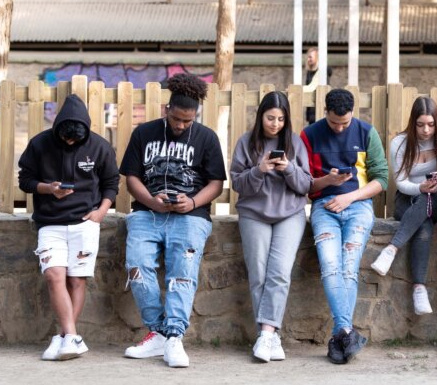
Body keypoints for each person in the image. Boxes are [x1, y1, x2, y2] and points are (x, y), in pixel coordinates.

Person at [120, 73, 225, 368]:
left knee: (182, 272)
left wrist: (192, 202)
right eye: (177, 119)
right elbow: (131, 178)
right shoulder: (144, 133)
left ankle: (175, 336)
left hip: (191, 216)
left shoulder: (207, 137)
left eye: (187, 121)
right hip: (147, 213)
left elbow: (216, 183)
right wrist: (151, 201)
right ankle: (158, 333)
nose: (181, 126)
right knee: (137, 267)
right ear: (167, 110)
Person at [19, 94, 119, 361]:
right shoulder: (39, 144)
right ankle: (72, 336)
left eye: (75, 140)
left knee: (76, 280)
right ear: (57, 130)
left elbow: (111, 184)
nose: (70, 143)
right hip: (49, 223)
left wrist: (101, 212)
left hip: (85, 223)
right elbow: (25, 180)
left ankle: (64, 338)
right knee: (54, 276)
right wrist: (48, 188)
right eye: (66, 139)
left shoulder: (100, 147)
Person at [300, 88, 388, 364]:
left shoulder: (366, 132)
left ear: (353, 114)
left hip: (358, 205)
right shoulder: (309, 135)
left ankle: (341, 333)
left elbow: (381, 179)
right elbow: (303, 184)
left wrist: (349, 196)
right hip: (324, 206)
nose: (339, 128)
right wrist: (328, 181)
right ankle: (347, 332)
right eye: (334, 123)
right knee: (330, 264)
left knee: (349, 265)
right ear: (325, 112)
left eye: (345, 123)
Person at [230, 91, 312, 363]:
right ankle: (270, 336)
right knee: (259, 274)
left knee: (279, 272)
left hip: (290, 214)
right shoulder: (246, 143)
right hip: (254, 213)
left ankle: (265, 333)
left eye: (280, 119)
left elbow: (306, 185)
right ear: (260, 116)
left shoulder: (295, 143)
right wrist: (260, 169)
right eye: (270, 118)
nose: (275, 124)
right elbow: (238, 184)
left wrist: (288, 168)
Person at [370, 96, 437, 315]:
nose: (426, 130)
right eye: (420, 124)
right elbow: (401, 183)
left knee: (429, 199)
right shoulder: (400, 143)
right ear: (413, 122)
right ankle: (419, 289)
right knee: (424, 222)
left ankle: (391, 249)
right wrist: (420, 187)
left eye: (431, 124)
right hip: (407, 198)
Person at [303, 47, 334, 126]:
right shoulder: (310, 72)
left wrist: (297, 90)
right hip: (312, 109)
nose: (308, 59)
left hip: (319, 108)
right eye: (308, 57)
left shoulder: (322, 71)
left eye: (310, 57)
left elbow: (311, 87)